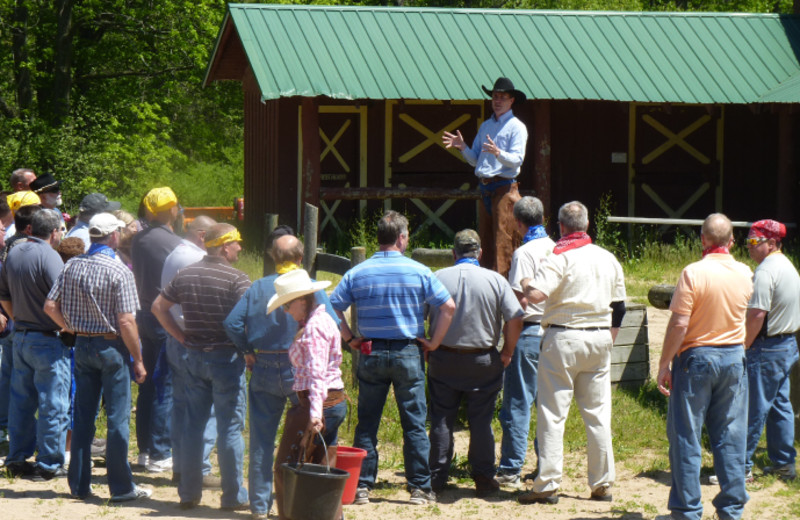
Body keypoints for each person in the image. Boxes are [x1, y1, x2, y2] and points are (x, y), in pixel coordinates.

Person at [329, 210, 455, 505]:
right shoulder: (419, 271)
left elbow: (331, 305)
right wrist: (433, 342)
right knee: (413, 422)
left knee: (367, 421)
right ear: (401, 238)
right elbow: (447, 306)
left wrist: (349, 338)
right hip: (408, 351)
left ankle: (362, 486)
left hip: (370, 349)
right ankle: (420, 487)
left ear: (378, 238)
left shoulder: (357, 272)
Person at [517, 201, 626, 505]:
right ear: (587, 225)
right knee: (598, 414)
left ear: (561, 227)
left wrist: (527, 283)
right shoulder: (607, 258)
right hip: (599, 337)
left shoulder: (559, 255)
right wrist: (609, 339)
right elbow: (620, 307)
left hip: (563, 336)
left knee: (553, 414)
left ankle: (548, 484)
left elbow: (537, 295)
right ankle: (602, 484)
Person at [223, 233, 337, 519]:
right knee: (305, 437)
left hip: (263, 363)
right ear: (301, 259)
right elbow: (332, 322)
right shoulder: (309, 289)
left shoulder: (258, 287)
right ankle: (302, 499)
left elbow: (232, 322)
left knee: (261, 438)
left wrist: (247, 349)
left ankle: (260, 506)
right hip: (300, 368)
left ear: (273, 258)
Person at [44, 212, 151, 502]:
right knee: (117, 419)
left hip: (83, 346)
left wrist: (70, 327)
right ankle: (121, 486)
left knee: (83, 416)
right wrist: (138, 359)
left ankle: (79, 484)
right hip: (111, 347)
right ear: (113, 235)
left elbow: (50, 305)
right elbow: (127, 321)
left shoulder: (73, 265)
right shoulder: (120, 271)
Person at [656, 213, 753, 520]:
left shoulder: (693, 273)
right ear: (732, 241)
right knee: (731, 435)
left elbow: (680, 323)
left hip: (696, 358)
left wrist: (663, 364)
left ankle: (686, 511)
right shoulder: (745, 272)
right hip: (733, 356)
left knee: (687, 435)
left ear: (702, 240)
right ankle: (731, 509)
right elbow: (750, 317)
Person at [151, 223, 250, 511]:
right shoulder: (238, 279)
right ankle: (233, 496)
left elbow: (158, 307)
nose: (240, 249)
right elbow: (248, 321)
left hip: (193, 357)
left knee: (193, 425)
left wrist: (179, 335)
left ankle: (188, 493)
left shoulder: (186, 274)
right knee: (230, 428)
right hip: (226, 359)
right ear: (224, 246)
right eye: (237, 244)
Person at [426, 229, 523, 497]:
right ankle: (482, 476)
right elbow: (515, 318)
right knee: (481, 420)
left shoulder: (437, 278)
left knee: (441, 419)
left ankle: (436, 477)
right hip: (483, 359)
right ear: (480, 253)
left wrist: (427, 343)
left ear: (453, 253)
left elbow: (418, 315)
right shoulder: (496, 281)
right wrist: (507, 351)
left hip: (443, 357)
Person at [267, 268, 346, 520]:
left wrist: (314, 413)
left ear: (302, 301)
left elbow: (316, 374)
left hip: (318, 402)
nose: (285, 311)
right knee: (323, 470)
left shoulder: (314, 328)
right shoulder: (322, 321)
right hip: (330, 401)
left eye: (287, 305)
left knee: (286, 470)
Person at [0, 209, 66, 480]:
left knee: (21, 401)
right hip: (47, 339)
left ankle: (17, 458)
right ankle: (48, 463)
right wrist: (66, 326)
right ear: (53, 232)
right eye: (61, 230)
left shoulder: (14, 252)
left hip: (22, 336)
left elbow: (3, 296)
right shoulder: (50, 255)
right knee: (53, 402)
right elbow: (60, 298)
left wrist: (19, 318)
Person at [496, 196, 555, 487]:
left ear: (518, 223)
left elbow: (518, 307)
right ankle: (547, 467)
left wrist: (508, 347)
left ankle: (510, 469)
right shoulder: (559, 249)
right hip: (556, 333)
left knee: (518, 403)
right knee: (549, 405)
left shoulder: (523, 253)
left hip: (530, 332)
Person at [442, 77, 528, 277]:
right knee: (486, 242)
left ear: (511, 100)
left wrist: (499, 154)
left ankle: (503, 289)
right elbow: (475, 160)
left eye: (502, 97)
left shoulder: (517, 127)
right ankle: (488, 284)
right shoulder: (486, 126)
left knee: (504, 242)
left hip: (504, 188)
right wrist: (462, 147)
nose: (497, 101)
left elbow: (517, 160)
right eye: (495, 97)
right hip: (486, 188)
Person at [159, 215, 219, 488]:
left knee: (181, 404)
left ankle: (181, 466)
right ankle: (199, 467)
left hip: (175, 335)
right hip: (193, 339)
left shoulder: (175, 254)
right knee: (205, 407)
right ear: (202, 235)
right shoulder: (195, 260)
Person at [742, 220, 800, 482]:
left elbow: (756, 314)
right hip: (787, 345)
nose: (750, 248)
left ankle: (739, 467)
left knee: (752, 408)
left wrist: (743, 344)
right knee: (780, 406)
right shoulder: (788, 266)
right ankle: (784, 463)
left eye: (755, 242)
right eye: (748, 242)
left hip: (767, 347)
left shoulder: (765, 271)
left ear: (772, 243)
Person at [131, 187, 182, 473]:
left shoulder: (139, 239)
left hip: (142, 314)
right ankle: (161, 453)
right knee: (166, 385)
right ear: (172, 209)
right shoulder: (173, 243)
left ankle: (144, 450)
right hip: (164, 316)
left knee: (147, 384)